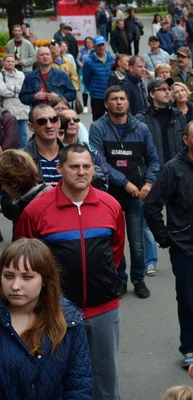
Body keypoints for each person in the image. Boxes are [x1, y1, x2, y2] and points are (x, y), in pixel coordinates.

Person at [15, 144, 125, 400]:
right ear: (59, 169)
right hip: (55, 311)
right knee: (57, 378)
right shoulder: (36, 210)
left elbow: (115, 252)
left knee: (105, 379)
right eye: (74, 166)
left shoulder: (111, 205)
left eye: (86, 166)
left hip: (103, 310)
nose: (81, 172)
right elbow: (24, 261)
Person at [144, 120, 193, 367]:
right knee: (187, 299)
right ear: (185, 140)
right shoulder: (172, 169)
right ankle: (190, 346)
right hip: (185, 247)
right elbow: (152, 205)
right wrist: (164, 236)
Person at [89, 86, 160, 299]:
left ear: (128, 103)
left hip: (136, 195)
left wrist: (148, 183)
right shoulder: (97, 127)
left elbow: (154, 160)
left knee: (137, 244)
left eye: (122, 98)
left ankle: (138, 279)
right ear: (106, 104)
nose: (119, 102)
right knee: (114, 243)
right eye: (114, 99)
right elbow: (98, 162)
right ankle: (119, 279)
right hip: (109, 196)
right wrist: (125, 182)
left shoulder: (141, 129)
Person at [0, 238, 93, 400]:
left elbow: (79, 385)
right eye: (8, 276)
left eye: (27, 277)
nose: (15, 285)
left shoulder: (69, 322)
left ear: (44, 280)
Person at [0, 150, 51, 237]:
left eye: (2, 183)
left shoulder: (34, 209)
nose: (2, 188)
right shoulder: (34, 199)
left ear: (13, 183)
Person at [137, 77, 186, 167]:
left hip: (178, 170)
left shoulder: (178, 115)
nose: (167, 92)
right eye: (163, 89)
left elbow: (185, 144)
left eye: (168, 89)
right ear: (152, 93)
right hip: (154, 172)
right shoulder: (142, 119)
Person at [83, 36, 116, 121]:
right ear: (94, 46)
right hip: (97, 96)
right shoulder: (89, 62)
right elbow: (86, 79)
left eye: (102, 45)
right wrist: (92, 89)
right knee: (98, 120)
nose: (101, 47)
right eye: (98, 45)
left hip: (111, 94)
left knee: (114, 118)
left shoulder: (111, 58)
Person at [0, 54, 30, 147]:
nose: (10, 63)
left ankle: (23, 156)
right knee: (10, 135)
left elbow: (24, 88)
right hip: (8, 107)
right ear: (4, 62)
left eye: (12, 61)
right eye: (8, 61)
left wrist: (10, 87)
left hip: (22, 107)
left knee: (23, 135)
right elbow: (2, 91)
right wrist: (17, 92)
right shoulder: (0, 75)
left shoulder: (21, 74)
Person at [77, 37, 95, 114]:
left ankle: (94, 105)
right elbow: (77, 59)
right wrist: (81, 64)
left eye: (90, 42)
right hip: (83, 72)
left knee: (93, 89)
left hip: (93, 72)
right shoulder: (82, 50)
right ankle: (85, 106)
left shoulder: (95, 51)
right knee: (85, 89)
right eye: (87, 42)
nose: (88, 44)